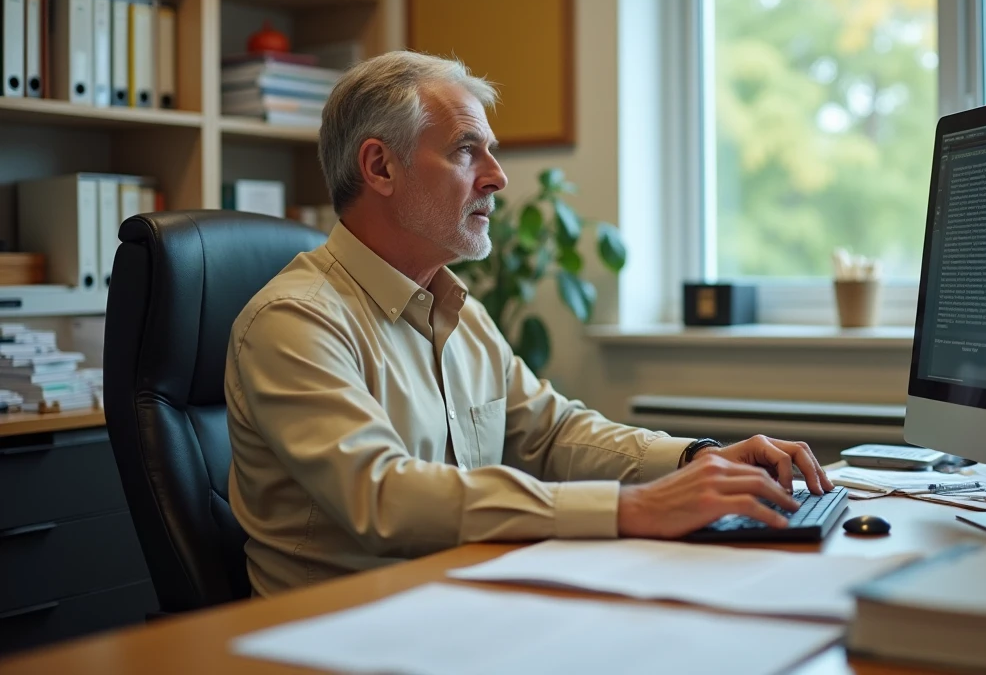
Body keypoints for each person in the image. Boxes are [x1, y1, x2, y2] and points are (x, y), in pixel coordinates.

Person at [225, 50, 834, 597]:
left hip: (461, 608)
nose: (497, 176)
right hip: (330, 637)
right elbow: (383, 495)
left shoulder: (459, 313)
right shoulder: (295, 320)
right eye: (467, 150)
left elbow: (552, 432)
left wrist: (696, 460)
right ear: (380, 167)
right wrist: (630, 508)